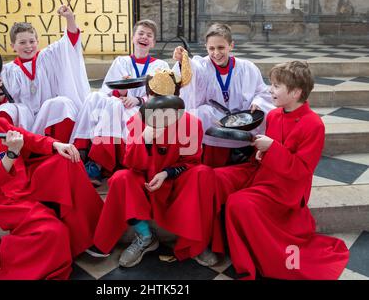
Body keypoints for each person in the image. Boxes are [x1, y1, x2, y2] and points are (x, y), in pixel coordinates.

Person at [0, 76, 103, 280]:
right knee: (54, 233)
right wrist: (12, 155)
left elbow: (29, 138)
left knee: (66, 161)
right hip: (3, 199)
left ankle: (86, 235)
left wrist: (56, 145)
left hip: (24, 182)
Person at [212, 61, 349, 279]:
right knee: (216, 179)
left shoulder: (314, 124)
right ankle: (226, 248)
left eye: (276, 86)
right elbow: (273, 149)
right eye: (271, 84)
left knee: (239, 203)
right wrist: (262, 152)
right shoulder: (274, 115)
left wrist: (272, 149)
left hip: (288, 189)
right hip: (265, 175)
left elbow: (302, 170)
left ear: (295, 92)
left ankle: (253, 260)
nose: (269, 89)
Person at [92, 70, 219, 268]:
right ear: (148, 97)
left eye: (166, 98)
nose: (161, 105)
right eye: (155, 97)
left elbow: (192, 162)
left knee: (203, 173)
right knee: (120, 178)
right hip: (144, 181)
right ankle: (145, 235)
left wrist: (166, 173)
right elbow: (131, 163)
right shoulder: (137, 121)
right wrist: (144, 140)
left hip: (175, 182)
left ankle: (195, 242)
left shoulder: (192, 123)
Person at [70, 19, 169, 186]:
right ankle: (83, 149)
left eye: (149, 35)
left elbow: (163, 95)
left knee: (113, 108)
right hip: (119, 106)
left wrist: (137, 99)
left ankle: (96, 163)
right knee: (95, 98)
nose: (144, 37)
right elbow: (106, 90)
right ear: (133, 38)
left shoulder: (161, 65)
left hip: (144, 110)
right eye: (141, 33)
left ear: (153, 42)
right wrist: (122, 92)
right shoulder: (121, 61)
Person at [173, 23, 274, 168]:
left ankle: (249, 155)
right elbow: (192, 74)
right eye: (211, 49)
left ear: (231, 46)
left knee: (266, 111)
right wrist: (183, 61)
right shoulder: (202, 66)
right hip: (216, 119)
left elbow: (262, 91)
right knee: (200, 113)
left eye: (221, 47)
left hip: (244, 118)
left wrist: (258, 101)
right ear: (206, 48)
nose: (216, 53)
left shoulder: (247, 68)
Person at [0, 4, 90, 143]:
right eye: (22, 42)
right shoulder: (6, 71)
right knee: (8, 109)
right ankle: (13, 151)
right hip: (24, 122)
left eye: (32, 41)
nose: (28, 46)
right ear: (13, 46)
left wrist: (69, 18)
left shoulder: (47, 57)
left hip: (48, 116)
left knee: (63, 103)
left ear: (37, 41)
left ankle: (61, 149)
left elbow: (70, 41)